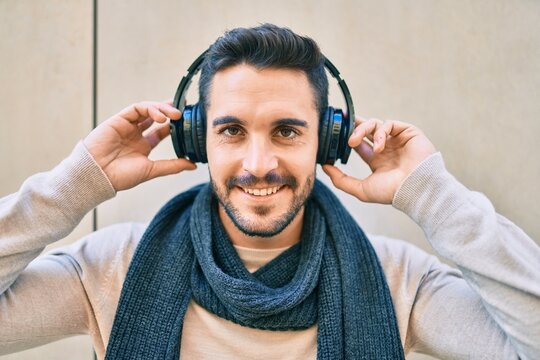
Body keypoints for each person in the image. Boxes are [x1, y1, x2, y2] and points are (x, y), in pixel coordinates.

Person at [1, 23, 538, 360]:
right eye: (232, 131)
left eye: (287, 131)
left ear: (329, 141)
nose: (259, 165)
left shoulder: (401, 282)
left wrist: (432, 195)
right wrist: (74, 185)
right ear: (196, 137)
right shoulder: (109, 269)